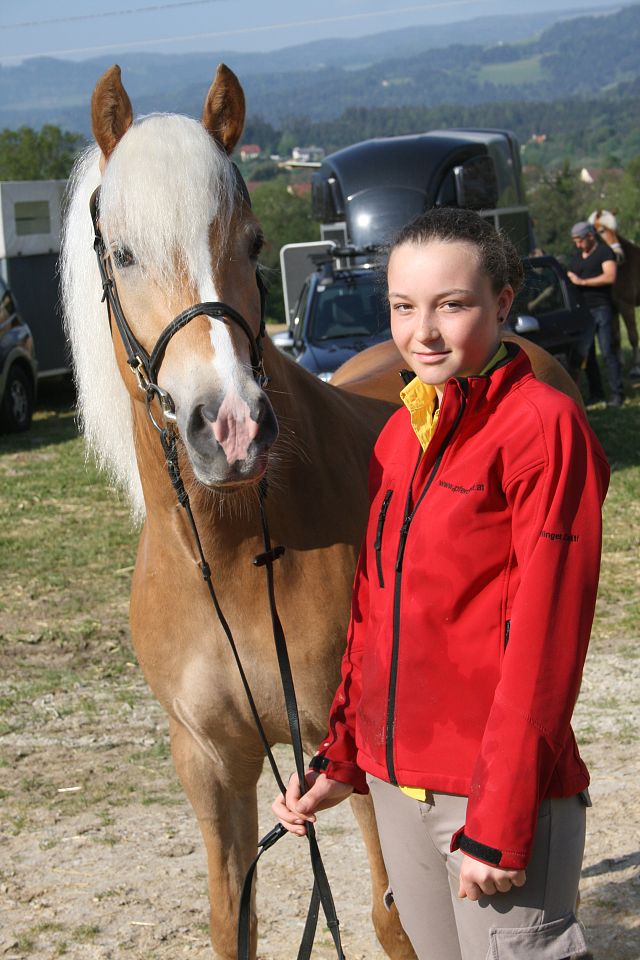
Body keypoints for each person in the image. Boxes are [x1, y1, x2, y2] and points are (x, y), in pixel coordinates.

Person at [273, 208, 610, 960]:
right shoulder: (400, 433)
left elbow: (545, 645)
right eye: (403, 307)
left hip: (490, 795)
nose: (422, 331)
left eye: (451, 305)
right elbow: (374, 616)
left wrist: (501, 818)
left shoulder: (544, 430)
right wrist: (341, 759)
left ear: (504, 300)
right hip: (395, 786)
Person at [567, 221, 624, 407]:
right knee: (588, 355)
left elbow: (610, 276)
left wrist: (582, 282)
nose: (577, 245)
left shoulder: (604, 252)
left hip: (601, 308)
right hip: (584, 312)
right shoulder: (576, 258)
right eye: (575, 241)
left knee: (608, 351)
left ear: (590, 236)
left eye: (580, 240)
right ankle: (596, 393)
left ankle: (617, 393)